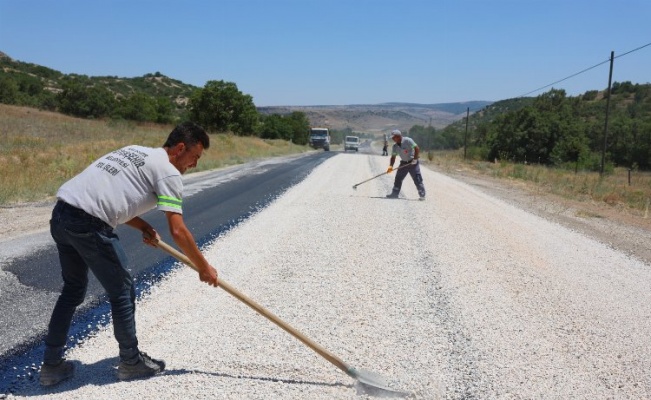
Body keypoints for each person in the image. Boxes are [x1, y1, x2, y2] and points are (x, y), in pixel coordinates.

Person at [39, 121, 219, 386]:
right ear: (181, 148)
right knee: (121, 291)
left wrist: (143, 225)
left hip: (62, 215)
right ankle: (131, 362)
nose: (194, 164)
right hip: (89, 225)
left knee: (73, 289)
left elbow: (111, 197)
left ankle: (52, 367)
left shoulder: (134, 151)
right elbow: (178, 231)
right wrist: (203, 266)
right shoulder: (168, 173)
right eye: (195, 157)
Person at [385, 130, 426, 200]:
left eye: (393, 137)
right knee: (398, 178)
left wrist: (415, 159)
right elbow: (393, 157)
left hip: (413, 163)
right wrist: (390, 166)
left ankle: (422, 194)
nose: (392, 139)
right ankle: (394, 193)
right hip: (403, 163)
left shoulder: (408, 140)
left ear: (398, 136)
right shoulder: (395, 146)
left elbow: (417, 148)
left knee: (417, 178)